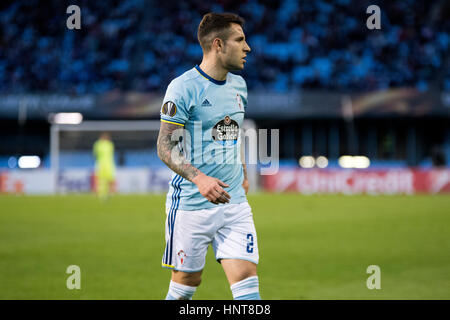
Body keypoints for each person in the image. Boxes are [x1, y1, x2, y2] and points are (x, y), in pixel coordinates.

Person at [157, 12, 260, 300]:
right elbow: (165, 147)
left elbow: (233, 133)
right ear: (218, 44)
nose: (247, 47)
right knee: (187, 282)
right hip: (191, 204)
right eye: (240, 40)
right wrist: (200, 179)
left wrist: (243, 173)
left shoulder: (239, 86)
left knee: (247, 283)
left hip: (235, 204)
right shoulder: (183, 88)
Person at [93, 132, 116, 200]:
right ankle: (99, 193)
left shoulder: (110, 144)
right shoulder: (98, 144)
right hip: (101, 164)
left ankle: (110, 192)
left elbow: (95, 154)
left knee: (110, 179)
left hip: (109, 164)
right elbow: (95, 154)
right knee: (99, 179)